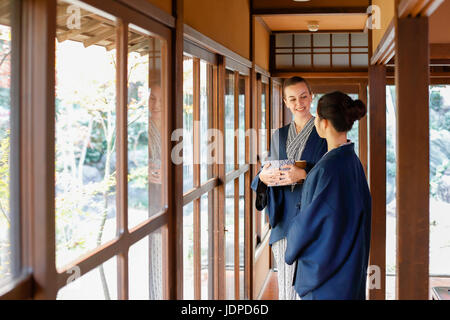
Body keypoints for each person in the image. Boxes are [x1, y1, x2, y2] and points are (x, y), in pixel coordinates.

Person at [284, 91, 372, 300]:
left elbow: (310, 223)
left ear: (324, 123)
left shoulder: (329, 168)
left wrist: (292, 242)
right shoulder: (350, 160)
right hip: (348, 264)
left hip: (329, 275)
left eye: (316, 117)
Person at [251, 76, 327, 300]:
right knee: (286, 288)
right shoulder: (279, 135)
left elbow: (333, 173)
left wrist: (304, 173)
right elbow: (269, 169)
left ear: (311, 96)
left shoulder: (324, 131)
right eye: (292, 98)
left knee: (312, 286)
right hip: (284, 219)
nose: (299, 103)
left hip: (314, 219)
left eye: (303, 96)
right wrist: (263, 176)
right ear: (285, 101)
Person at [148, 78, 163, 300]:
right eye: (152, 98)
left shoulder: (175, 124)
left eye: (161, 99)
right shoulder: (140, 129)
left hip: (171, 197)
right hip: (148, 200)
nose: (156, 104)